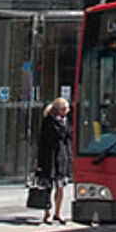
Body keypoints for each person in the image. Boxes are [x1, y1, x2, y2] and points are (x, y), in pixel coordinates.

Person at [36, 96, 73, 225]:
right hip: (50, 158)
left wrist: (69, 156)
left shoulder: (66, 121)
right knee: (48, 187)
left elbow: (68, 139)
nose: (68, 110)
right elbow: (43, 142)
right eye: (66, 108)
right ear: (60, 109)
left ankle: (58, 213)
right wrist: (39, 162)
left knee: (61, 186)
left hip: (62, 157)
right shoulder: (49, 122)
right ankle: (47, 213)